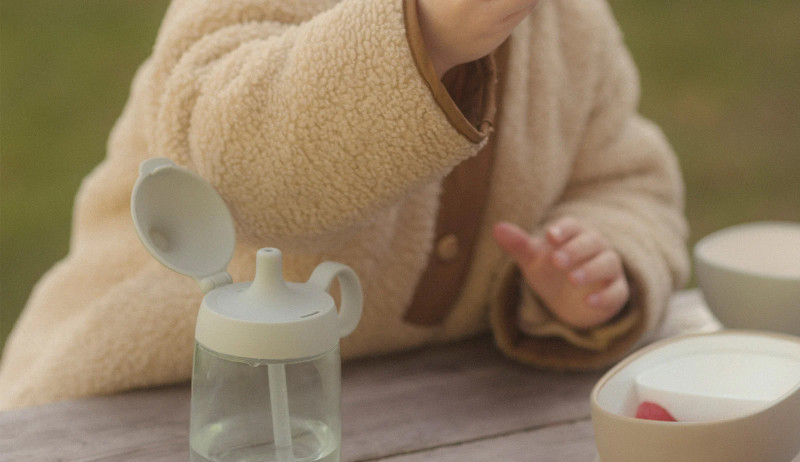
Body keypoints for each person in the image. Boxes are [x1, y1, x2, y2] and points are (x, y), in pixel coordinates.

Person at [0, 0, 689, 409]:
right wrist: (427, 37)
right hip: (142, 405)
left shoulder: (575, 22)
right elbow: (224, 179)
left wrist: (595, 260)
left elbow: (624, 179)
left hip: (407, 424)